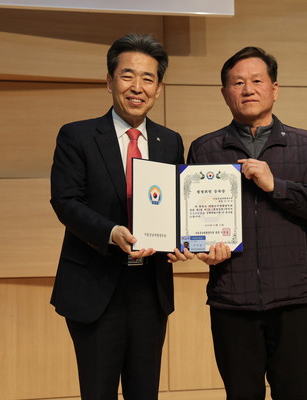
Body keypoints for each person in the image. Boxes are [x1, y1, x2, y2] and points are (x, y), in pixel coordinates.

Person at [187, 47, 307, 400]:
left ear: (274, 89)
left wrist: (277, 186)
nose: (248, 89)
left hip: (294, 300)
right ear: (224, 93)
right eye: (238, 83)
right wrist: (202, 249)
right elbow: (195, 220)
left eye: (257, 81)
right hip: (232, 301)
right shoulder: (204, 149)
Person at [50, 33, 193, 400]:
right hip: (95, 286)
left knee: (145, 391)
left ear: (159, 88)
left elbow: (175, 205)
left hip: (150, 288)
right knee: (98, 391)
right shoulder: (78, 136)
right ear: (109, 81)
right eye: (127, 75)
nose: (137, 87)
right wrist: (111, 232)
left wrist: (182, 240)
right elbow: (66, 202)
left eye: (148, 78)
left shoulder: (170, 141)